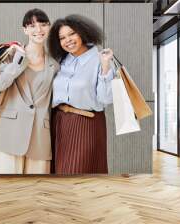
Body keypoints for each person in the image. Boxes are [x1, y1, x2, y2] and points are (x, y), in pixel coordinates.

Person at [0, 9, 59, 174]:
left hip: (40, 135)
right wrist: (18, 60)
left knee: (37, 191)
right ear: (25, 30)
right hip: (10, 131)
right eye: (32, 25)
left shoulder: (54, 65)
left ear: (49, 27)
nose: (38, 30)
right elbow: (0, 85)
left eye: (43, 24)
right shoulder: (11, 55)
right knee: (9, 189)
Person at [48, 14, 115, 174]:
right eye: (62, 37)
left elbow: (105, 99)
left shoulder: (101, 59)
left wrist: (105, 67)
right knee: (58, 173)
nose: (68, 40)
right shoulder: (63, 61)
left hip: (86, 124)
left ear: (83, 33)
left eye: (72, 34)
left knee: (77, 173)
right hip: (59, 122)